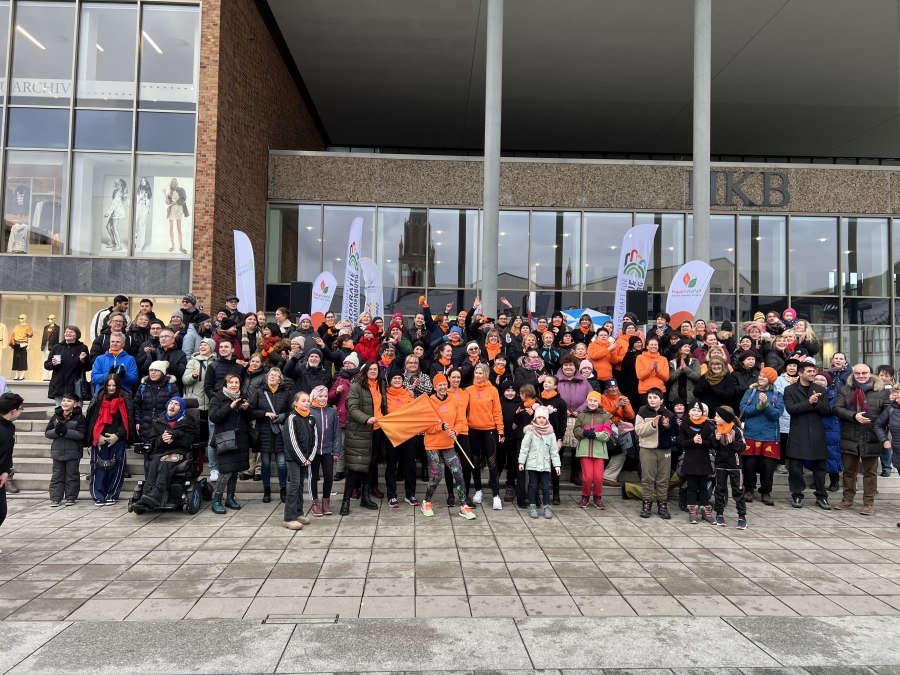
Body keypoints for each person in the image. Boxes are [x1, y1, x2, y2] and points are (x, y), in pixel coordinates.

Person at [833, 362, 889, 515]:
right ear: (853, 374)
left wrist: (876, 424)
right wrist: (854, 416)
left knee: (870, 473)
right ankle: (847, 500)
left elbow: (887, 414)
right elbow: (837, 408)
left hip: (871, 437)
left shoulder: (882, 391)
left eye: (864, 373)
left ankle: (868, 503)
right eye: (857, 373)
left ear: (870, 373)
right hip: (850, 435)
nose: (861, 376)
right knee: (849, 471)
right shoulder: (844, 390)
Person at [420, 374, 475, 520]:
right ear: (434, 387)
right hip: (432, 444)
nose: (443, 387)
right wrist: (440, 427)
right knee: (437, 475)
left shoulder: (454, 401)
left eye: (444, 384)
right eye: (440, 385)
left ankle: (463, 505)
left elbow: (460, 420)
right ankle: (426, 502)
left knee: (458, 473)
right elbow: (425, 426)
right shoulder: (429, 402)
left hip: (448, 444)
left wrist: (456, 431)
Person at [132, 396, 196, 512]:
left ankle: (156, 495)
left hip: (179, 453)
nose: (172, 406)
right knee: (154, 463)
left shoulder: (188, 422)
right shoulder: (159, 421)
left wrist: (175, 436)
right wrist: (162, 439)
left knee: (165, 463)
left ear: (181, 409)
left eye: (176, 404)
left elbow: (189, 441)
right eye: (171, 403)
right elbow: (152, 442)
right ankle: (146, 497)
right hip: (161, 452)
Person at [784, 361, 833, 510]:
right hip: (798, 432)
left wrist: (816, 403)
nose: (813, 374)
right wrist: (809, 402)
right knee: (795, 467)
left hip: (817, 432)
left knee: (820, 467)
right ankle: (797, 494)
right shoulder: (790, 389)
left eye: (814, 371)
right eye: (810, 371)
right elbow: (791, 409)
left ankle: (821, 496)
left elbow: (827, 410)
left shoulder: (820, 389)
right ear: (800, 373)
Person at [342, 361, 386, 515]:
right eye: (371, 369)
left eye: (376, 369)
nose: (373, 371)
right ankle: (345, 501)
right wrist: (366, 418)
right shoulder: (357, 386)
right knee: (355, 467)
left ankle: (365, 497)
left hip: (376, 430)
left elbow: (383, 407)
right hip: (360, 432)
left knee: (370, 466)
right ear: (365, 371)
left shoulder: (381, 385)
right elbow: (352, 407)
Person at [85, 374, 134, 506]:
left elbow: (128, 421)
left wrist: (117, 436)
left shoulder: (125, 398)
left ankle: (112, 494)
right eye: (109, 385)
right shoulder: (98, 397)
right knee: (99, 468)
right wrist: (97, 436)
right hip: (100, 439)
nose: (111, 388)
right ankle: (98, 495)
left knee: (116, 468)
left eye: (114, 385)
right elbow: (92, 419)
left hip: (118, 439)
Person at [738, 367, 783, 506]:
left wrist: (766, 405)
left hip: (770, 436)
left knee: (768, 466)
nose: (760, 378)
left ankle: (766, 492)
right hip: (751, 433)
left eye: (764, 376)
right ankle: (749, 489)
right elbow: (743, 409)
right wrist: (758, 406)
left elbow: (777, 414)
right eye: (760, 375)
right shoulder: (750, 392)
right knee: (749, 464)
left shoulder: (778, 395)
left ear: (770, 379)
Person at [207, 374, 252, 514]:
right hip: (225, 439)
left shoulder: (243, 397)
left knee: (235, 471)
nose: (234, 385)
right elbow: (214, 417)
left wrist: (246, 409)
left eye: (236, 382)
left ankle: (230, 498)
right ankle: (216, 500)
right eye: (231, 382)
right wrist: (229, 407)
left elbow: (248, 418)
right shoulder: (217, 397)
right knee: (225, 472)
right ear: (225, 384)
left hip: (240, 439)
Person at [465, 363, 505, 510]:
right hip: (472, 430)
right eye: (476, 373)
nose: (477, 375)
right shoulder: (468, 390)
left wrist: (500, 430)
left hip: (489, 430)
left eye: (480, 373)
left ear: (486, 374)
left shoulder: (493, 390)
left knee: (492, 462)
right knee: (475, 461)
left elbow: (497, 412)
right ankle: (478, 491)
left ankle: (496, 496)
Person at [250, 367, 292, 504]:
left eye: (275, 375)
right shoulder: (259, 392)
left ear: (280, 379)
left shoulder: (286, 392)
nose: (272, 377)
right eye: (270, 375)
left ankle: (283, 490)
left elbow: (291, 411)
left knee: (281, 463)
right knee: (265, 464)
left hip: (280, 431)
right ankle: (266, 491)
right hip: (264, 431)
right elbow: (251, 411)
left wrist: (283, 416)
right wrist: (264, 414)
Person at [634, 387, 676, 519]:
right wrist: (652, 424)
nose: (652, 400)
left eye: (655, 397)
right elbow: (639, 430)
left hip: (664, 449)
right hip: (647, 448)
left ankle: (662, 505)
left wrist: (668, 426)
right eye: (650, 397)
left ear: (661, 400)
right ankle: (646, 504)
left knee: (663, 479)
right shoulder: (642, 411)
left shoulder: (668, 413)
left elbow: (676, 431)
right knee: (648, 478)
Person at [518, 405, 561, 520]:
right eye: (539, 417)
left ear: (547, 419)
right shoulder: (530, 432)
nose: (541, 420)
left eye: (543, 418)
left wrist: (557, 465)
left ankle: (547, 506)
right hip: (532, 464)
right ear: (535, 419)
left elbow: (553, 451)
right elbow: (524, 448)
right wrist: (521, 462)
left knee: (546, 486)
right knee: (533, 486)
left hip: (545, 465)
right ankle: (532, 506)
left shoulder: (551, 433)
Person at [282, 391, 317, 530]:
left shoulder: (311, 418)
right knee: (294, 484)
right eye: (303, 400)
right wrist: (302, 459)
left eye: (308, 400)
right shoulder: (292, 418)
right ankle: (289, 517)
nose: (306, 403)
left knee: (300, 485)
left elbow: (315, 440)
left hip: (306, 459)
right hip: (294, 458)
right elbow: (292, 442)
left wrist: (310, 458)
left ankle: (298, 513)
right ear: (295, 403)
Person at [45, 392, 87, 507]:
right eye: (64, 400)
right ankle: (55, 498)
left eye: (69, 401)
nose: (65, 403)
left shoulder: (80, 417)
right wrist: (57, 431)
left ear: (75, 404)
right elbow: (48, 433)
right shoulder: (56, 416)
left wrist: (66, 431)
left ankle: (71, 497)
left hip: (73, 452)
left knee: (72, 475)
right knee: (57, 475)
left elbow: (81, 435)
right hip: (57, 452)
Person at [573, 391, 613, 509]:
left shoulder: (605, 415)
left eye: (595, 401)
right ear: (587, 401)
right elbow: (576, 431)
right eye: (590, 400)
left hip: (599, 451)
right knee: (587, 477)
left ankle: (597, 497)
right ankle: (585, 496)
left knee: (598, 477)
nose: (592, 403)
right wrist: (584, 432)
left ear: (599, 402)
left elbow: (607, 434)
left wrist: (595, 435)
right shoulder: (581, 415)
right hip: (584, 451)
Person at [711, 406, 747, 529]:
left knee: (738, 490)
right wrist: (715, 441)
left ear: (725, 418)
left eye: (717, 416)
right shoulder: (716, 430)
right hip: (720, 464)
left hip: (735, 465)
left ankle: (742, 516)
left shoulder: (736, 431)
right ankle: (719, 514)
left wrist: (732, 443)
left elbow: (742, 447)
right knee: (720, 489)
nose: (715, 418)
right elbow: (714, 446)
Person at [384, 374, 418, 508]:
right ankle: (391, 495)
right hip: (392, 434)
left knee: (410, 465)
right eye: (394, 378)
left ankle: (410, 494)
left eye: (399, 378)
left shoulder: (409, 394)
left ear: (403, 381)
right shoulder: (384, 394)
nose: (397, 380)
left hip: (408, 434)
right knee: (392, 465)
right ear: (390, 381)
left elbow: (415, 411)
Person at [678, 401, 714, 524]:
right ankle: (692, 511)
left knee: (703, 487)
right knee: (692, 487)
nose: (696, 413)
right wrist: (692, 441)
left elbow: (711, 443)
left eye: (699, 411)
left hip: (703, 461)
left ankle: (705, 510)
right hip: (690, 461)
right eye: (693, 410)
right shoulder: (684, 425)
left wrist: (702, 442)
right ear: (688, 412)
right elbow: (681, 442)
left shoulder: (706, 425)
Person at [309, 385, 340, 516]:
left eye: (325, 396)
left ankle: (326, 501)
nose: (323, 398)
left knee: (328, 476)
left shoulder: (332, 411)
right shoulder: (309, 410)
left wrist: (336, 450)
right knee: (313, 477)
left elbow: (336, 432)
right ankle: (314, 502)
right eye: (320, 396)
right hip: (313, 451)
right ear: (315, 396)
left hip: (327, 450)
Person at [329, 352, 360, 481]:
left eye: (350, 363)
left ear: (355, 365)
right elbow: (330, 397)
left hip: (356, 417)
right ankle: (340, 470)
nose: (347, 365)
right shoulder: (339, 379)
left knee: (354, 446)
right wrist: (336, 392)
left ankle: (353, 470)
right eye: (345, 363)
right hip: (342, 417)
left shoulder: (360, 378)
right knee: (341, 446)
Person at [45, 325, 90, 406]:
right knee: (60, 411)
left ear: (77, 335)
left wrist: (82, 360)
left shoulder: (82, 348)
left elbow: (88, 367)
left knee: (76, 411)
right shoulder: (57, 347)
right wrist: (53, 364)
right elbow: (46, 365)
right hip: (59, 385)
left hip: (75, 386)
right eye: (66, 332)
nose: (68, 333)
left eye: (71, 332)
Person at [813, 371, 843, 492]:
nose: (819, 381)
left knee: (832, 454)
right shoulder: (809, 392)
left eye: (822, 380)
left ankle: (834, 481)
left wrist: (815, 403)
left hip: (831, 427)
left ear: (828, 383)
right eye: (817, 379)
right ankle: (818, 481)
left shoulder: (834, 394)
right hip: (816, 426)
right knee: (817, 455)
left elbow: (830, 409)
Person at [0, 393, 24, 531]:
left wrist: (5, 471)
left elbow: (7, 453)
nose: (21, 411)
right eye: (21, 408)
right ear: (13, 410)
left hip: (2, 473)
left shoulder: (9, 427)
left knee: (1, 512)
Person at [875, 365, 895, 476]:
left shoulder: (894, 389)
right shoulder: (874, 388)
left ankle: (886, 468)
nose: (883, 378)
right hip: (876, 419)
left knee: (887, 444)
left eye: (886, 376)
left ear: (891, 377)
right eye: (881, 375)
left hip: (889, 421)